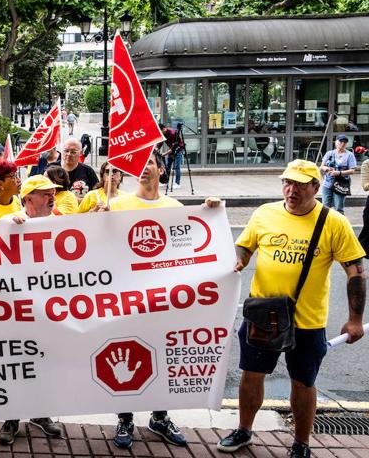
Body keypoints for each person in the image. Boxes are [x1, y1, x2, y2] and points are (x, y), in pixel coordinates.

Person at [217, 160, 365, 458]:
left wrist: (355, 320)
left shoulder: (333, 222)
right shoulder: (264, 213)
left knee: (303, 382)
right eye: (287, 182)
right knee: (251, 375)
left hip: (307, 321)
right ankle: (244, 430)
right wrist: (241, 259)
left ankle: (301, 443)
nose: (291, 189)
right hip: (263, 315)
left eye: (299, 184)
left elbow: (356, 273)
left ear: (315, 186)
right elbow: (245, 245)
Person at [100, 150, 221, 449]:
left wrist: (210, 211)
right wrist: (98, 222)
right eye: (138, 164)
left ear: (161, 169)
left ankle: (159, 417)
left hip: (163, 301)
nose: (144, 169)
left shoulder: (175, 207)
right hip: (126, 299)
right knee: (126, 354)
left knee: (162, 356)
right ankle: (125, 418)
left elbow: (192, 249)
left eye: (150, 163)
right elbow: (99, 253)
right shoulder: (116, 205)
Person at [0, 174, 65, 443]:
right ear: (28, 199)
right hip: (16, 312)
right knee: (16, 365)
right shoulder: (8, 222)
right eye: (45, 193)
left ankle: (40, 413)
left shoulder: (62, 222)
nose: (52, 197)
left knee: (45, 363)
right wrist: (7, 230)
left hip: (49, 309)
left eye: (53, 193)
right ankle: (11, 418)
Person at [319, 134, 356, 213]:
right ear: (336, 142)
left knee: (339, 208)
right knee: (325, 208)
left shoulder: (349, 155)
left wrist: (339, 173)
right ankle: (325, 224)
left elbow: (352, 171)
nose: (342, 144)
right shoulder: (330, 153)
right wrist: (325, 168)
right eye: (340, 141)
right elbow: (321, 166)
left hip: (340, 184)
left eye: (345, 142)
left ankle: (340, 225)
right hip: (327, 183)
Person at [161, 123, 185, 189]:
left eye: (160, 131)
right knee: (168, 167)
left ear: (163, 129)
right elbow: (160, 143)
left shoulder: (172, 133)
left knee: (177, 167)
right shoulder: (163, 134)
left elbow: (173, 148)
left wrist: (164, 154)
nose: (160, 133)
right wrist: (156, 150)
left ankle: (177, 183)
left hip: (178, 149)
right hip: (171, 150)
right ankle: (166, 182)